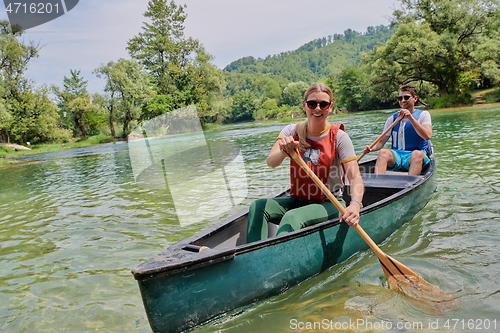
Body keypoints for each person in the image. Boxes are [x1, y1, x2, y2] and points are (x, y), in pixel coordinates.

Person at [246, 83, 364, 243]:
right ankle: (252, 256)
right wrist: (283, 151)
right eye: (312, 104)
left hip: (330, 203)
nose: (317, 108)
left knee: (292, 217)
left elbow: (355, 177)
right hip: (298, 200)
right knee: (258, 206)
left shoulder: (340, 137)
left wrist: (356, 205)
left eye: (323, 104)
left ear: (330, 107)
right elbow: (271, 162)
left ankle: (275, 256)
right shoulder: (290, 131)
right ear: (304, 105)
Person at [362, 84, 432, 176]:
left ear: (415, 99)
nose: (403, 100)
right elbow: (381, 142)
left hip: (416, 156)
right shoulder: (392, 119)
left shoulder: (423, 115)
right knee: (383, 152)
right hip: (397, 156)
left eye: (406, 97)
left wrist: (410, 118)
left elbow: (427, 136)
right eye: (400, 98)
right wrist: (371, 148)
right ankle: (378, 184)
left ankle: (409, 186)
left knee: (416, 154)